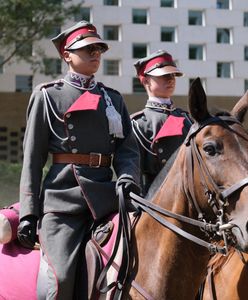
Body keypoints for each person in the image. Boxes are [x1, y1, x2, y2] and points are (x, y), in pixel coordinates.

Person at [17, 20, 140, 300]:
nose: (95, 53)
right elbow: (33, 159)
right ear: (66, 54)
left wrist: (127, 177)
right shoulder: (48, 96)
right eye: (86, 49)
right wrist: (29, 213)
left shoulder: (112, 98)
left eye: (98, 48)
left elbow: (127, 150)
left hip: (108, 200)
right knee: (59, 279)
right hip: (63, 202)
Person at [131, 50, 192, 195]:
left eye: (172, 75)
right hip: (156, 196)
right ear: (145, 81)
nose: (170, 79)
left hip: (190, 194)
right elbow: (135, 170)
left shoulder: (187, 118)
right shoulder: (139, 123)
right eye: (163, 75)